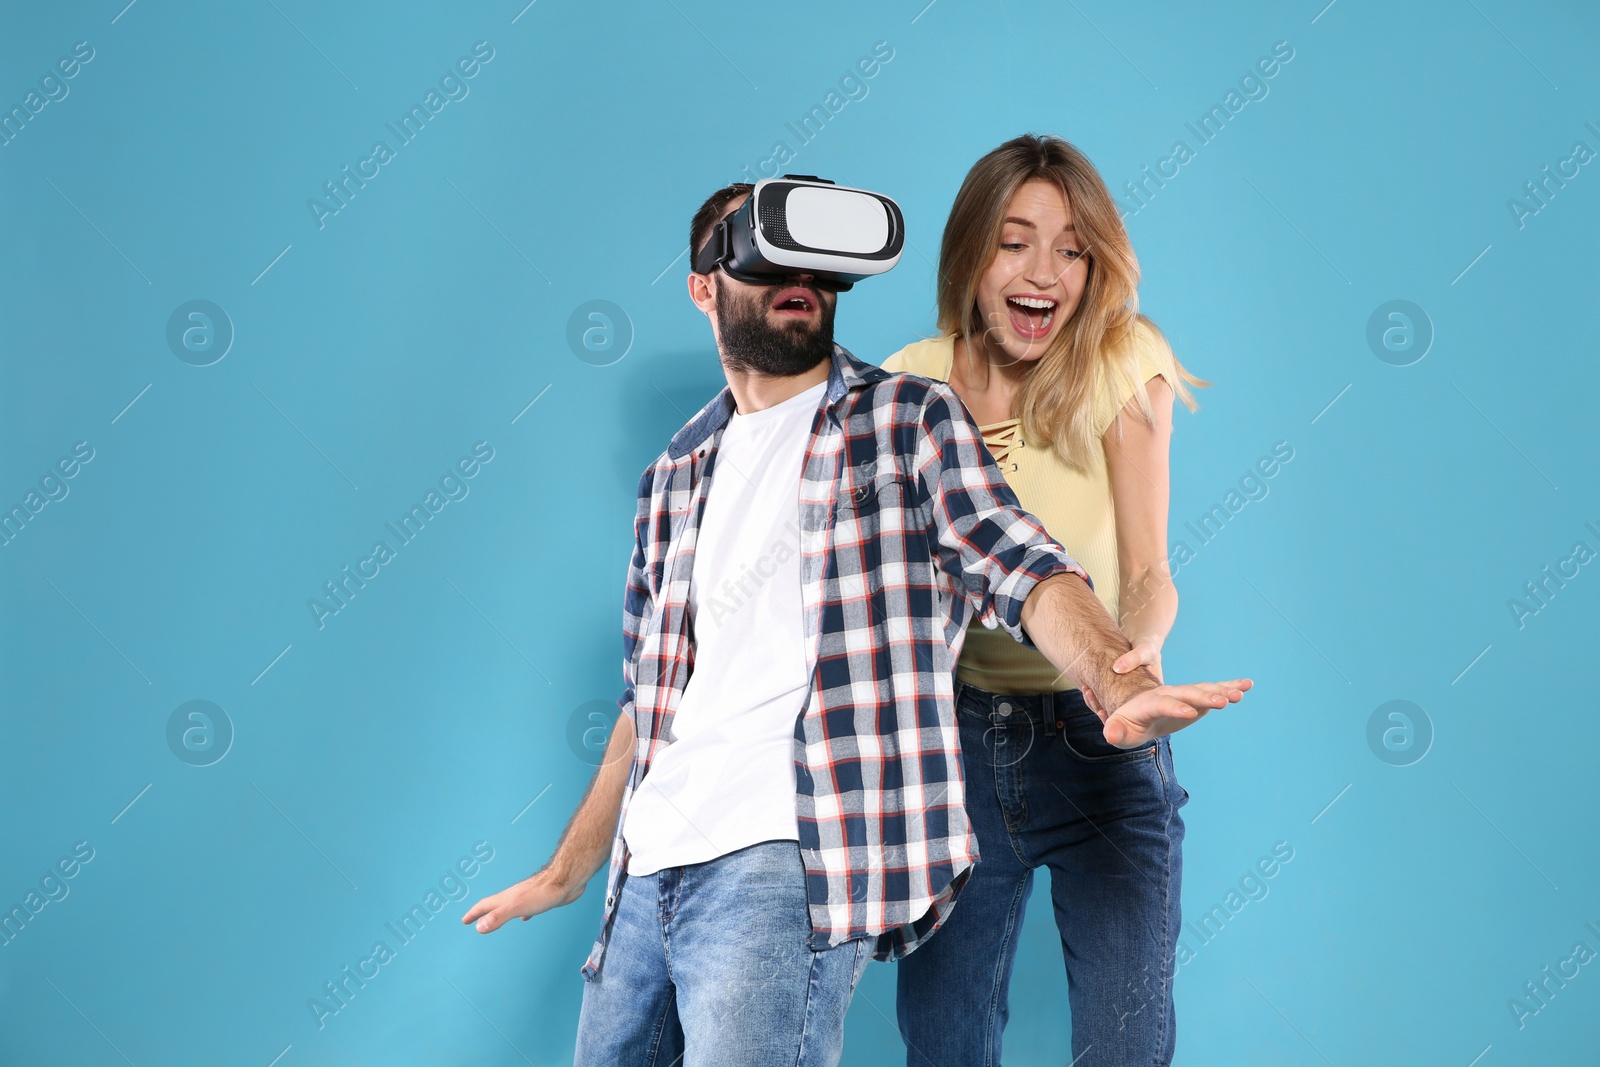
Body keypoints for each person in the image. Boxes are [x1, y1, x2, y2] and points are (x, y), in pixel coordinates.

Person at [462, 179, 1250, 1067]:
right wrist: (575, 864)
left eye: (811, 257)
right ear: (703, 283)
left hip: (782, 862)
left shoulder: (906, 419)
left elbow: (1023, 565)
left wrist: (1117, 676)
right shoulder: (672, 475)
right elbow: (649, 696)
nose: (793, 272)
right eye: (760, 252)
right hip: (645, 876)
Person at [883, 133, 1209, 1066]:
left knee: (1126, 1047)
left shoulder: (1119, 357)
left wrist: (1132, 670)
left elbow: (1148, 571)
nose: (1045, 272)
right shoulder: (909, 381)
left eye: (1072, 248)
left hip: (1102, 738)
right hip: (958, 753)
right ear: (972, 254)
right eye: (1016, 241)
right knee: (942, 1043)